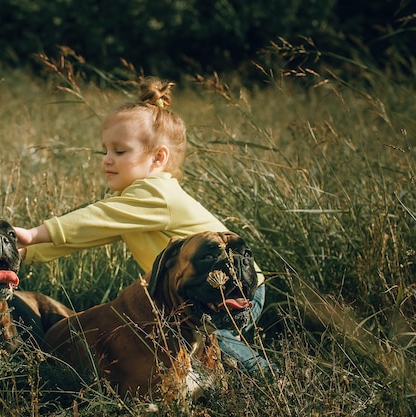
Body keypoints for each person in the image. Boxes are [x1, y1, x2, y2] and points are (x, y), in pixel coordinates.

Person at [14, 76, 269, 372]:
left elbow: (92, 218)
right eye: (105, 150)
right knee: (190, 342)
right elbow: (84, 236)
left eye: (120, 152)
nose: (107, 160)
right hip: (192, 293)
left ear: (158, 157)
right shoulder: (132, 202)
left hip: (232, 289)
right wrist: (24, 254)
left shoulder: (155, 193)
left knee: (214, 340)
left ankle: (266, 380)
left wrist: (33, 235)